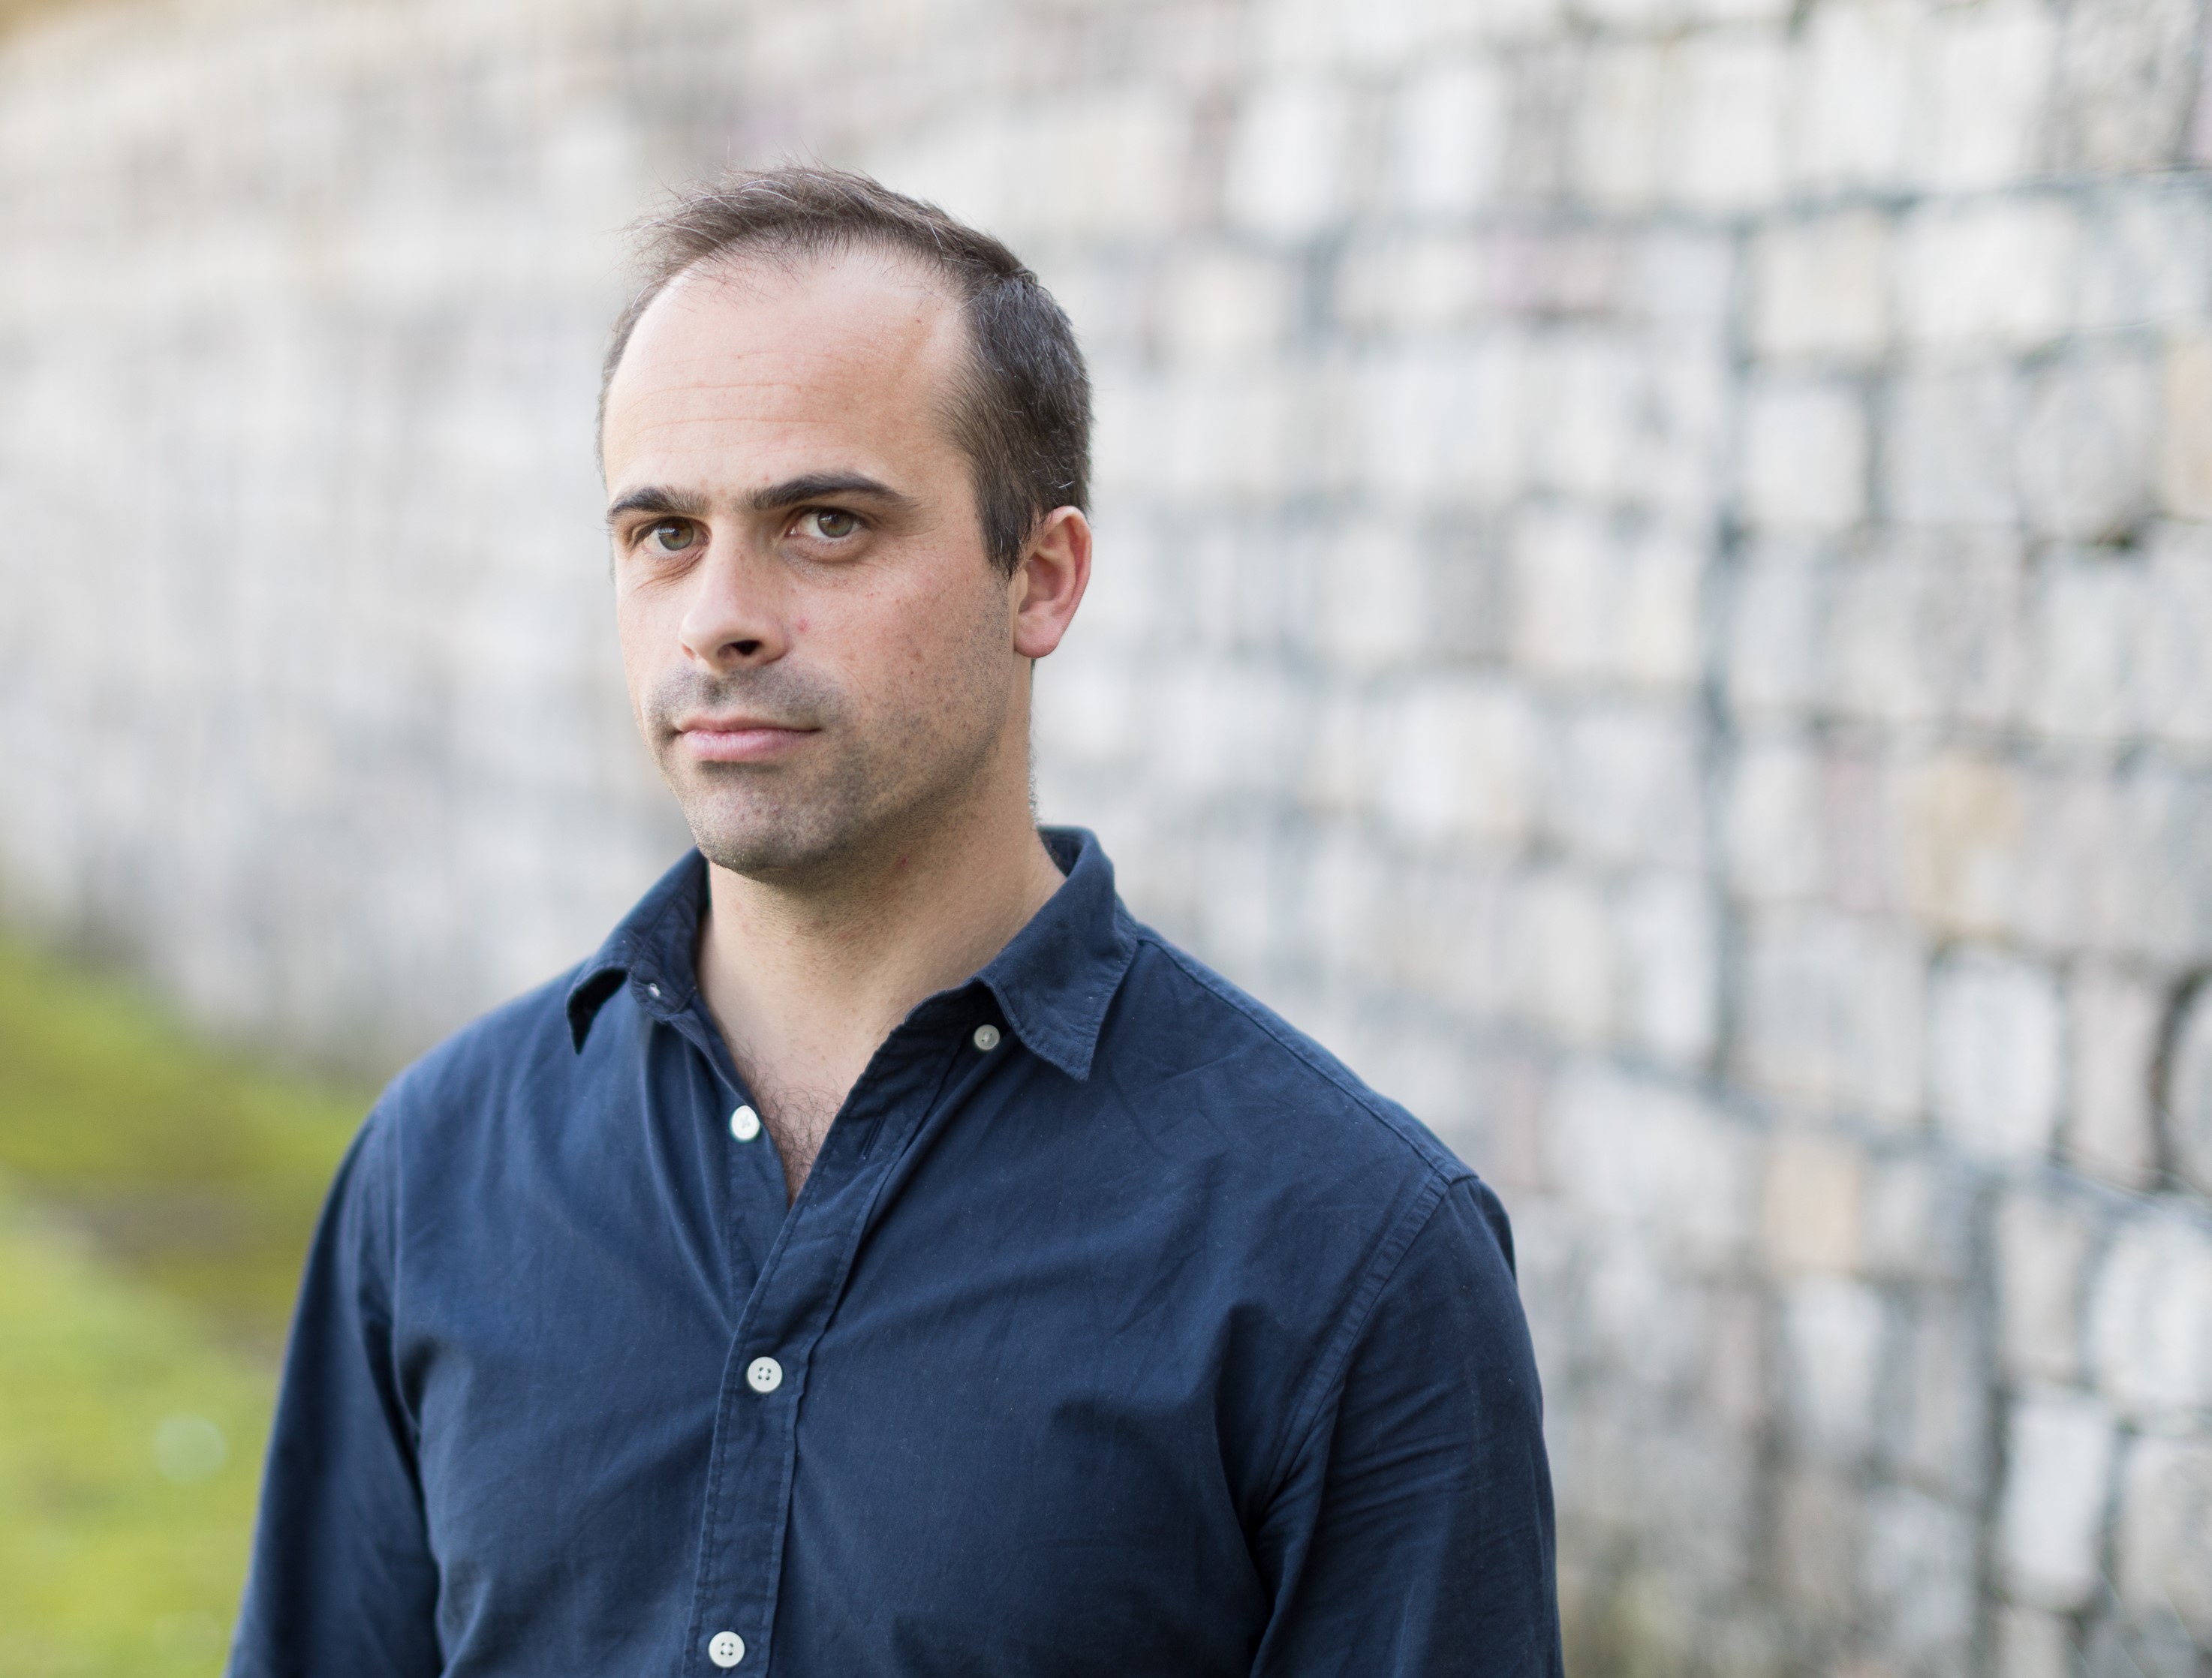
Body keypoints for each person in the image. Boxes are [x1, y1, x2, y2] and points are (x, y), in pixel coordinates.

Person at [227, 165, 1561, 1678]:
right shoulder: (439, 1169)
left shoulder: (1348, 1253)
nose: (718, 616)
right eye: (663, 531)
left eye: (824, 522)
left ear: (1040, 578)